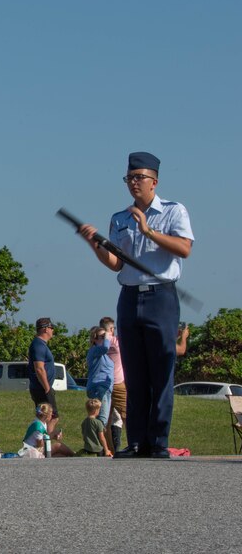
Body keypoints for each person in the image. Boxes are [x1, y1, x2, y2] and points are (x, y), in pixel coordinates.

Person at [77, 151, 194, 459]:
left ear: (154, 181)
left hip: (161, 296)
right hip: (129, 296)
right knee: (135, 373)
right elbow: (116, 263)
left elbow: (184, 248)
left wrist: (149, 231)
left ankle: (158, 440)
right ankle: (137, 440)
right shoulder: (120, 218)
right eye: (129, 178)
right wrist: (94, 244)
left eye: (139, 178)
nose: (133, 183)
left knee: (161, 370)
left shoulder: (173, 211)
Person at [28, 318, 60, 435]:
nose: (52, 331)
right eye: (51, 328)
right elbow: (39, 368)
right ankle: (46, 445)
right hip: (41, 388)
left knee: (47, 417)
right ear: (46, 329)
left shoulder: (41, 345)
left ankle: (46, 445)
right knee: (51, 417)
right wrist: (47, 388)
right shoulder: (38, 345)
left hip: (42, 387)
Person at [100, 315, 126, 454]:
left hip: (102, 384)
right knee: (126, 415)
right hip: (117, 383)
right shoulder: (116, 343)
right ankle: (135, 443)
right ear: (111, 329)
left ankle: (108, 449)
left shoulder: (98, 343)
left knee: (105, 419)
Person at [85, 327, 114, 428]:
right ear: (95, 339)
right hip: (99, 387)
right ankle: (96, 443)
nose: (105, 338)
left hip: (105, 388)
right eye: (102, 337)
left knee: (101, 419)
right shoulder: (95, 350)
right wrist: (107, 336)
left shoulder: (103, 355)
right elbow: (105, 347)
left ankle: (95, 441)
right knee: (102, 419)